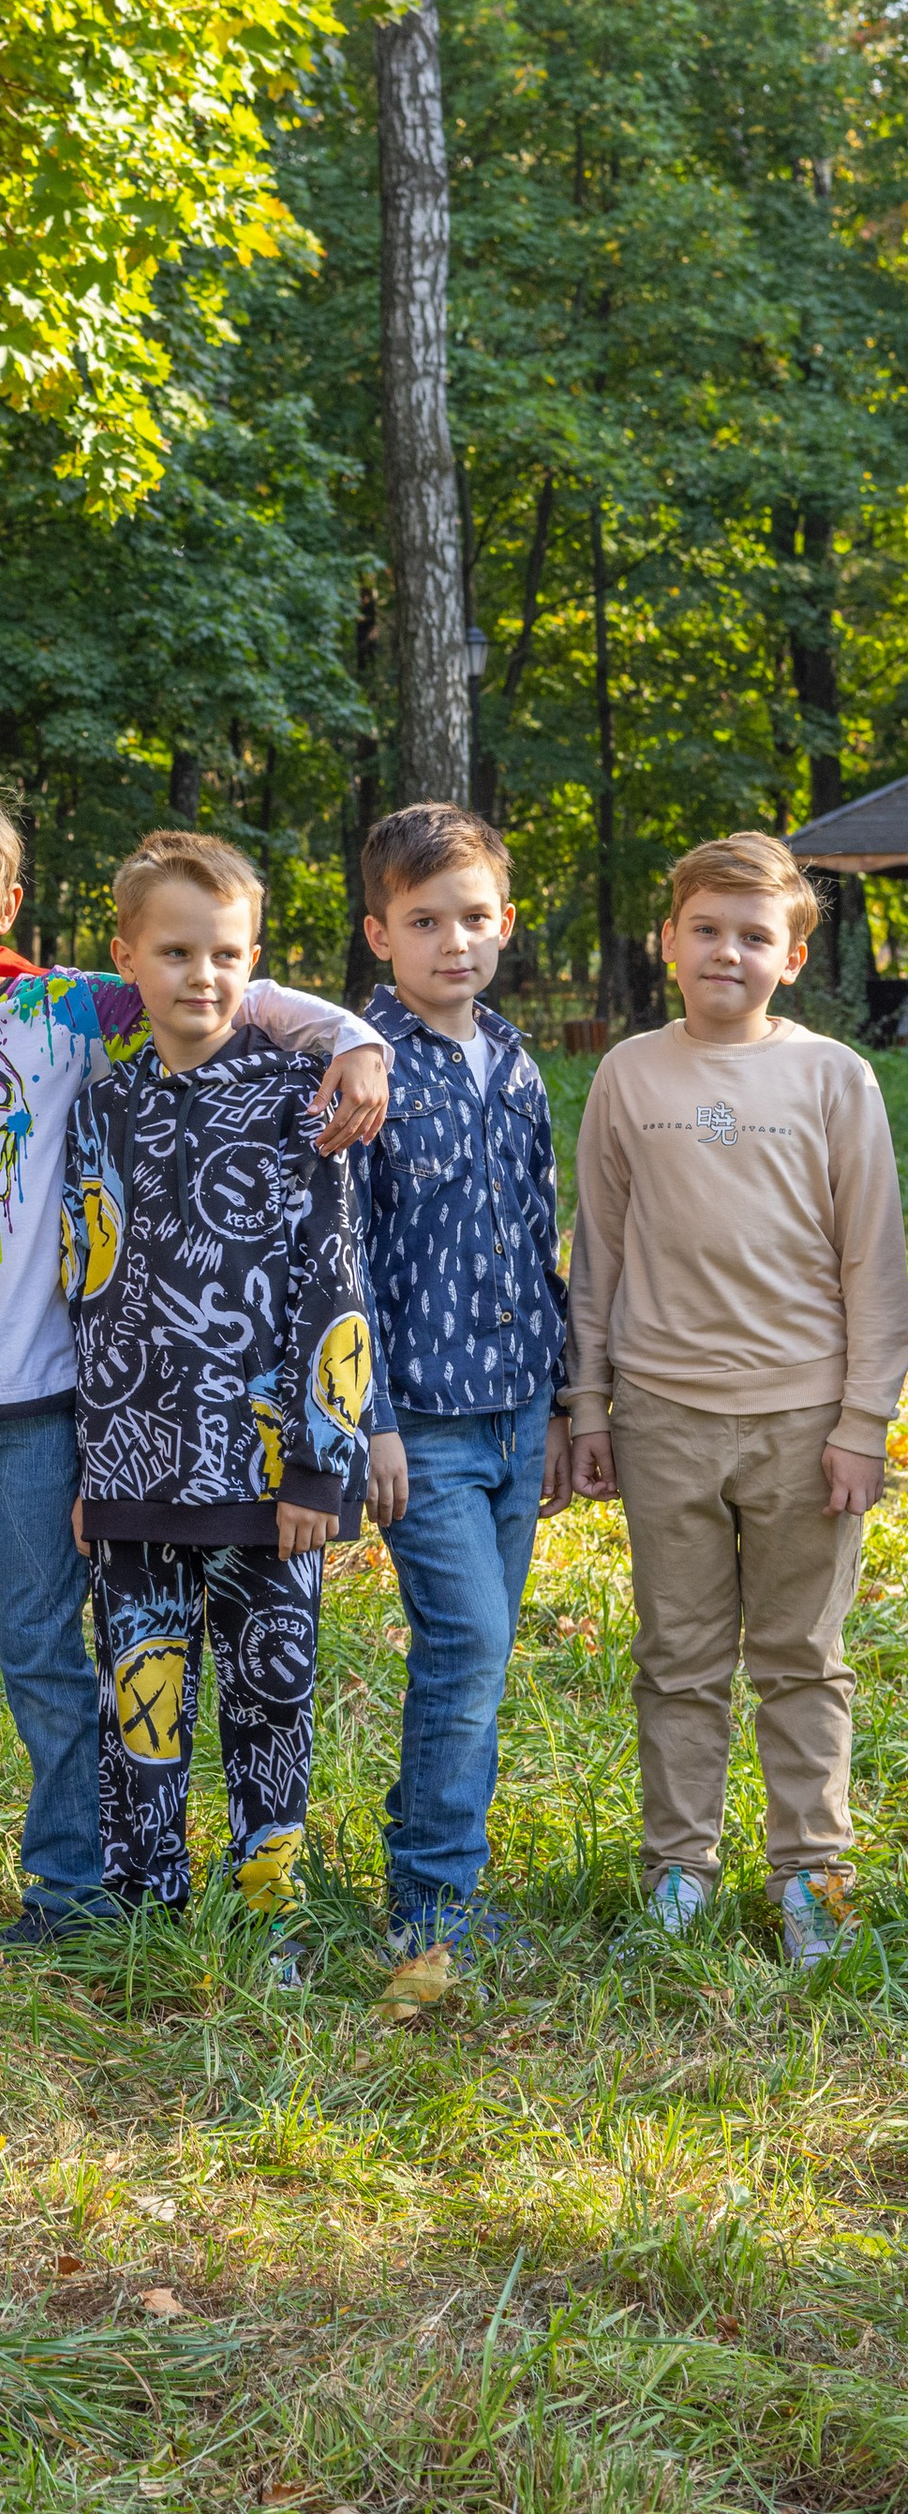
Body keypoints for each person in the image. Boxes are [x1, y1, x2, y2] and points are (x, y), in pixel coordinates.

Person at [0, 787, 384, 1952]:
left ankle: (163, 1897)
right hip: (33, 1431)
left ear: (11, 910)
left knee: (188, 1679)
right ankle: (4, 1890)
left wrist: (355, 1035)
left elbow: (330, 1283)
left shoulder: (83, 1027)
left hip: (157, 1438)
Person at [566, 832, 908, 1967]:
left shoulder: (831, 1077)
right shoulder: (628, 1074)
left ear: (792, 957)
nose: (727, 951)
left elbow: (874, 1261)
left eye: (754, 935)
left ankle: (810, 1870)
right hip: (662, 1414)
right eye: (705, 929)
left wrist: (863, 1424)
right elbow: (598, 1257)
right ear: (667, 940)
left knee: (802, 1654)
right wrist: (589, 1404)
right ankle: (681, 1866)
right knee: (678, 1654)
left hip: (805, 1425)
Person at [63, 830, 376, 1970]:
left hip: (264, 1478)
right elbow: (82, 1290)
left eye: (228, 954)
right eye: (177, 952)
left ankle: (267, 1899)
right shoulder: (99, 1108)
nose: (202, 976)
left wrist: (316, 1466)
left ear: (257, 963)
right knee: (137, 1697)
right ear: (126, 958)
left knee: (268, 1692)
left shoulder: (306, 1101)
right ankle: (146, 1898)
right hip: (135, 1471)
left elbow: (334, 1292)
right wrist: (91, 1472)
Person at [351, 804, 570, 1983]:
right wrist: (372, 1416)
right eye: (425, 921)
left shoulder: (519, 1061)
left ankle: (453, 1881)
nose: (454, 942)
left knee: (481, 1651)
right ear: (380, 931)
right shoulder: (362, 1063)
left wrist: (564, 1405)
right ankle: (428, 1897)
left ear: (505, 925)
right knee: (467, 1638)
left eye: (474, 918)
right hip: (422, 1420)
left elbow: (542, 1236)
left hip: (515, 1405)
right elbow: (345, 1259)